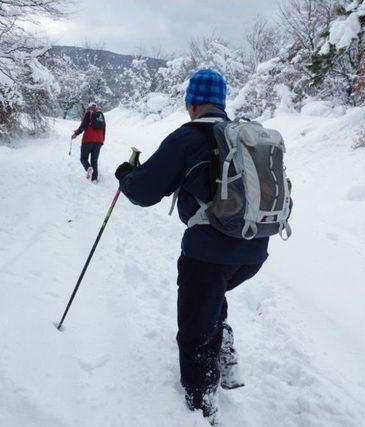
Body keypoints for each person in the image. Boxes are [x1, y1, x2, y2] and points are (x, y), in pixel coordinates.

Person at [114, 69, 269, 421]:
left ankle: (202, 403)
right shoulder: (246, 136)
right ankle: (223, 336)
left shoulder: (188, 138)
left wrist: (125, 174)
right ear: (223, 103)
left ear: (191, 103)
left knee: (196, 329)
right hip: (255, 249)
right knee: (213, 293)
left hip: (210, 251)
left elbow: (144, 191)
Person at [72, 102, 106, 182]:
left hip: (88, 140)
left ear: (89, 107)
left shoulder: (89, 114)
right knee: (94, 161)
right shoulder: (101, 115)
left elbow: (83, 125)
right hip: (98, 141)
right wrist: (102, 141)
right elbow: (104, 129)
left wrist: (76, 133)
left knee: (83, 158)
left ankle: (88, 168)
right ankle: (94, 179)